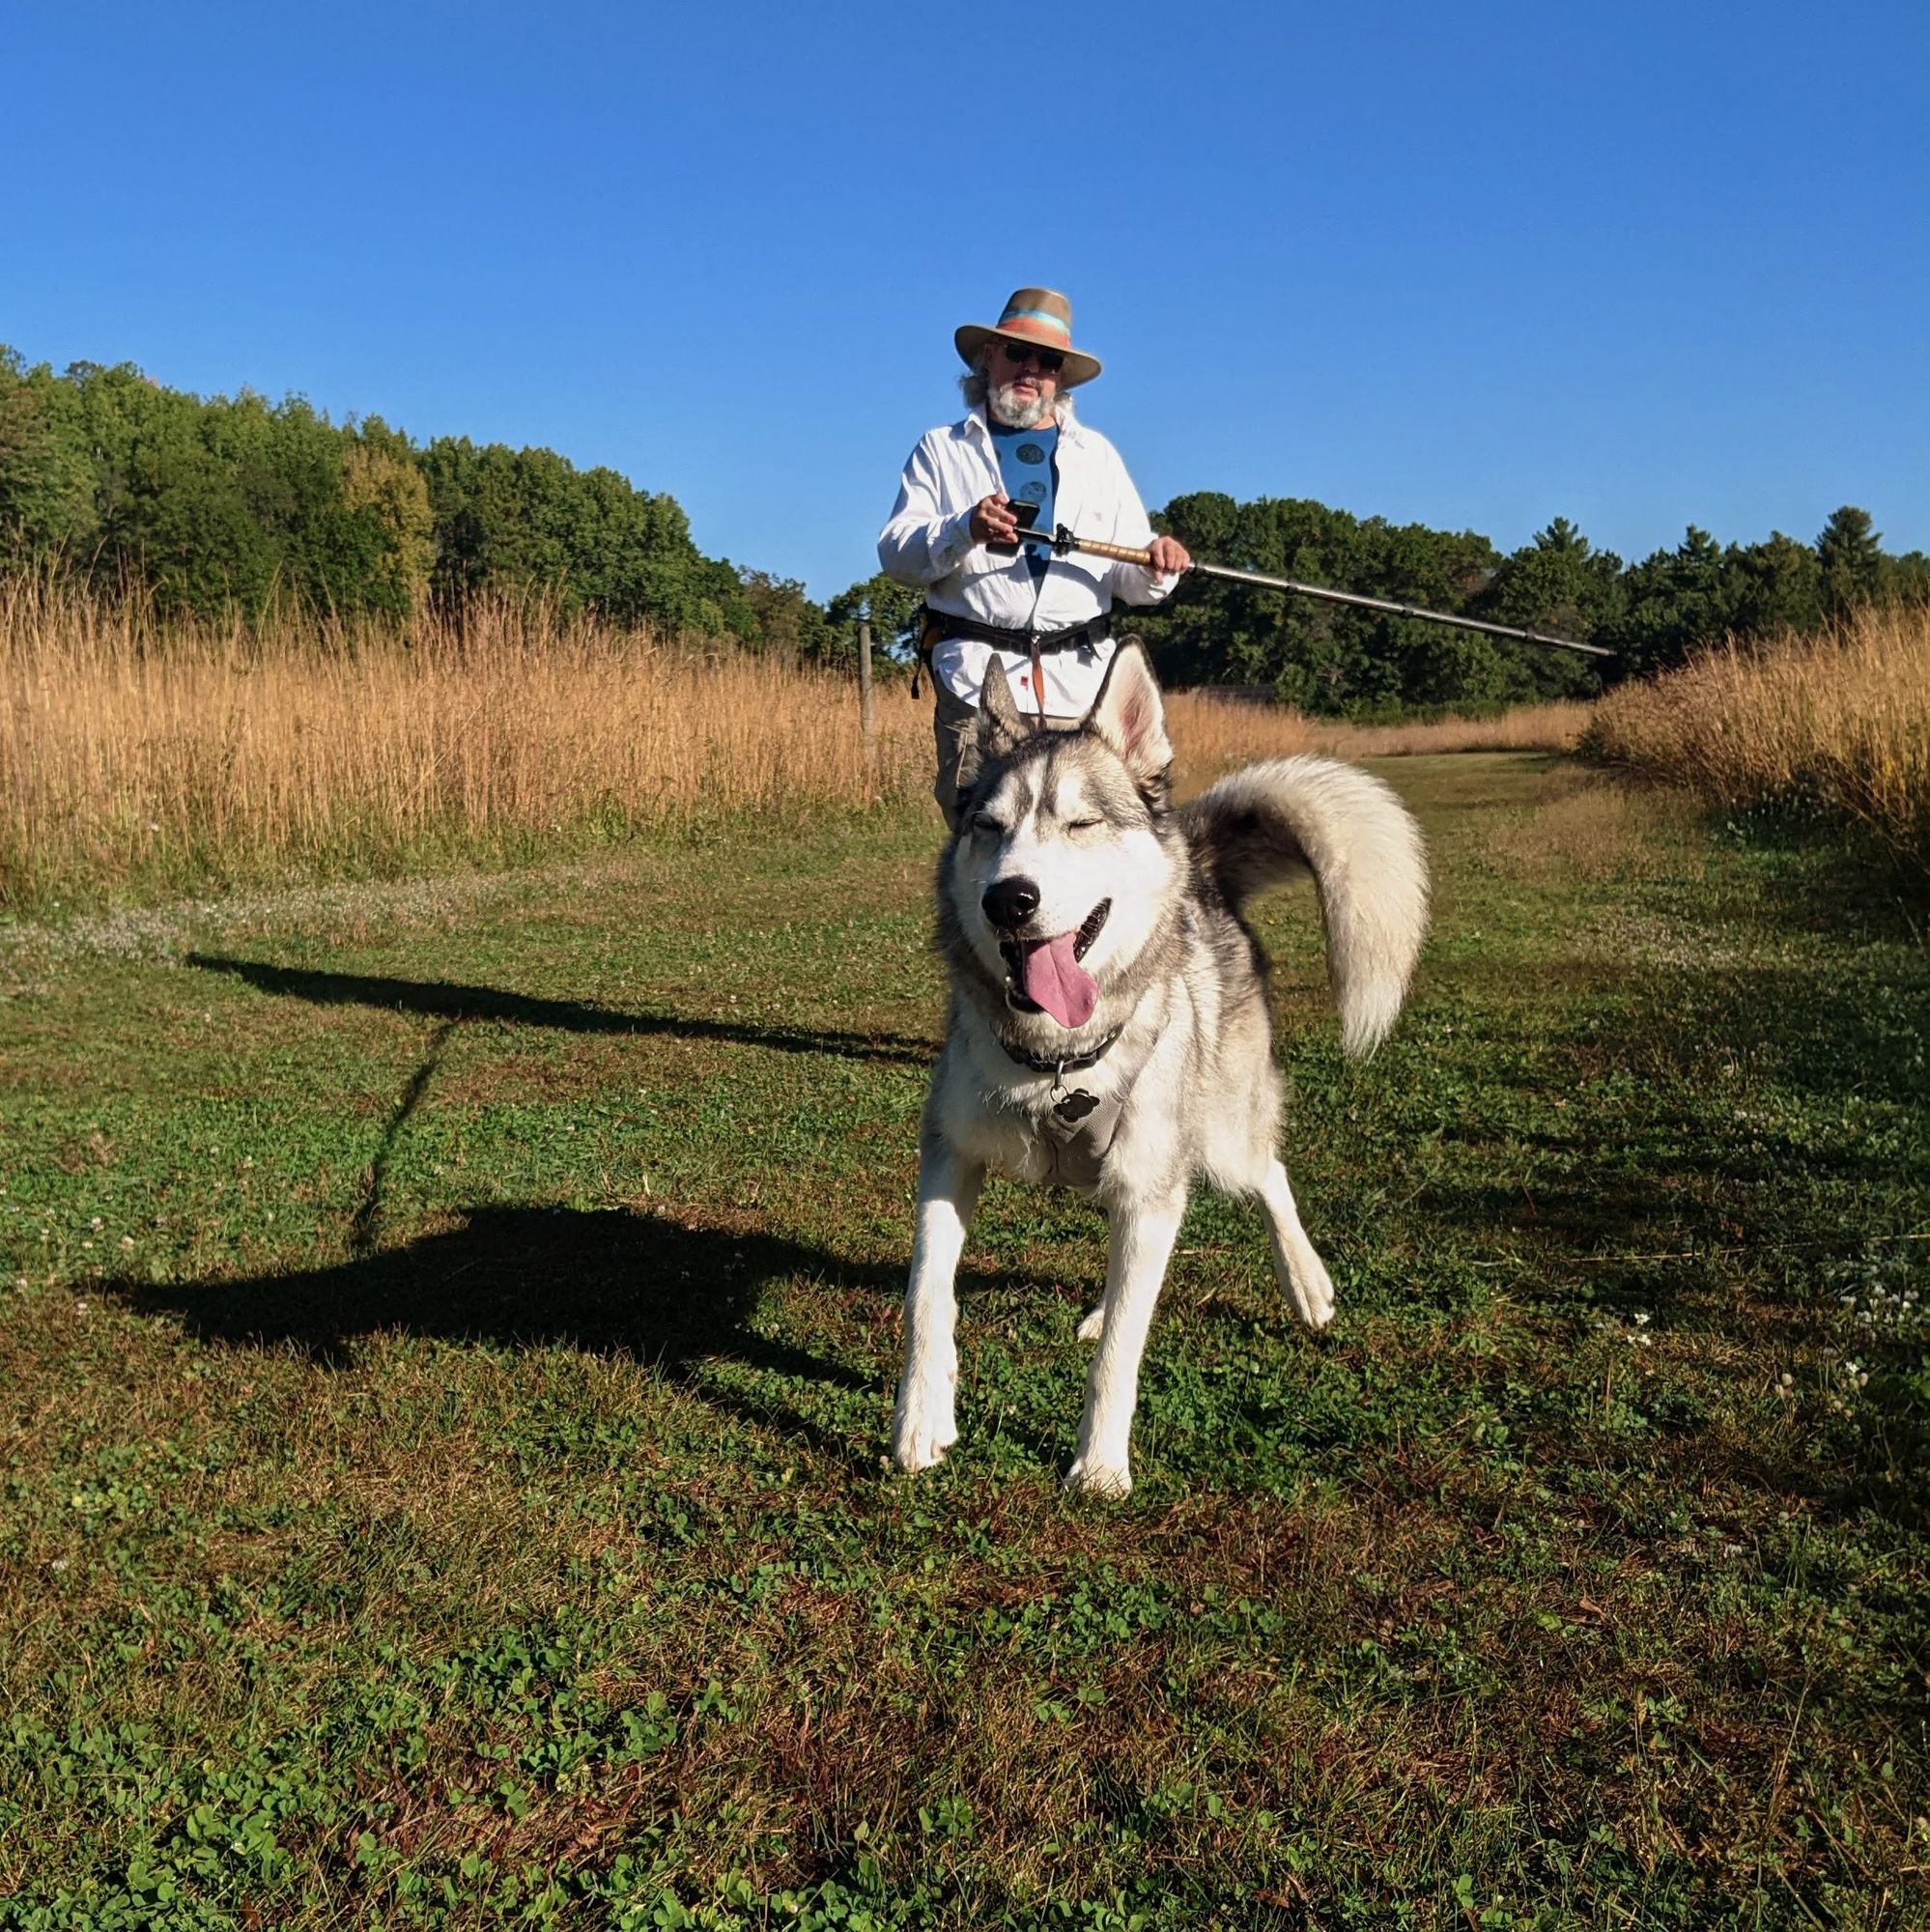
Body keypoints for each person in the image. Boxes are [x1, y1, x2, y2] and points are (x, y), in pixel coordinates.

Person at [877, 286, 1191, 827]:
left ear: (1061, 377)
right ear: (988, 357)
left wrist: (1155, 562)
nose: (1032, 369)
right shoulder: (940, 449)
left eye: (1048, 361)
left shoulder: (1099, 456)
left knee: (1082, 849)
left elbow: (1129, 578)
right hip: (978, 687)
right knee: (982, 847)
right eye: (1017, 352)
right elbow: (897, 554)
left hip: (1082, 691)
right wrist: (965, 528)